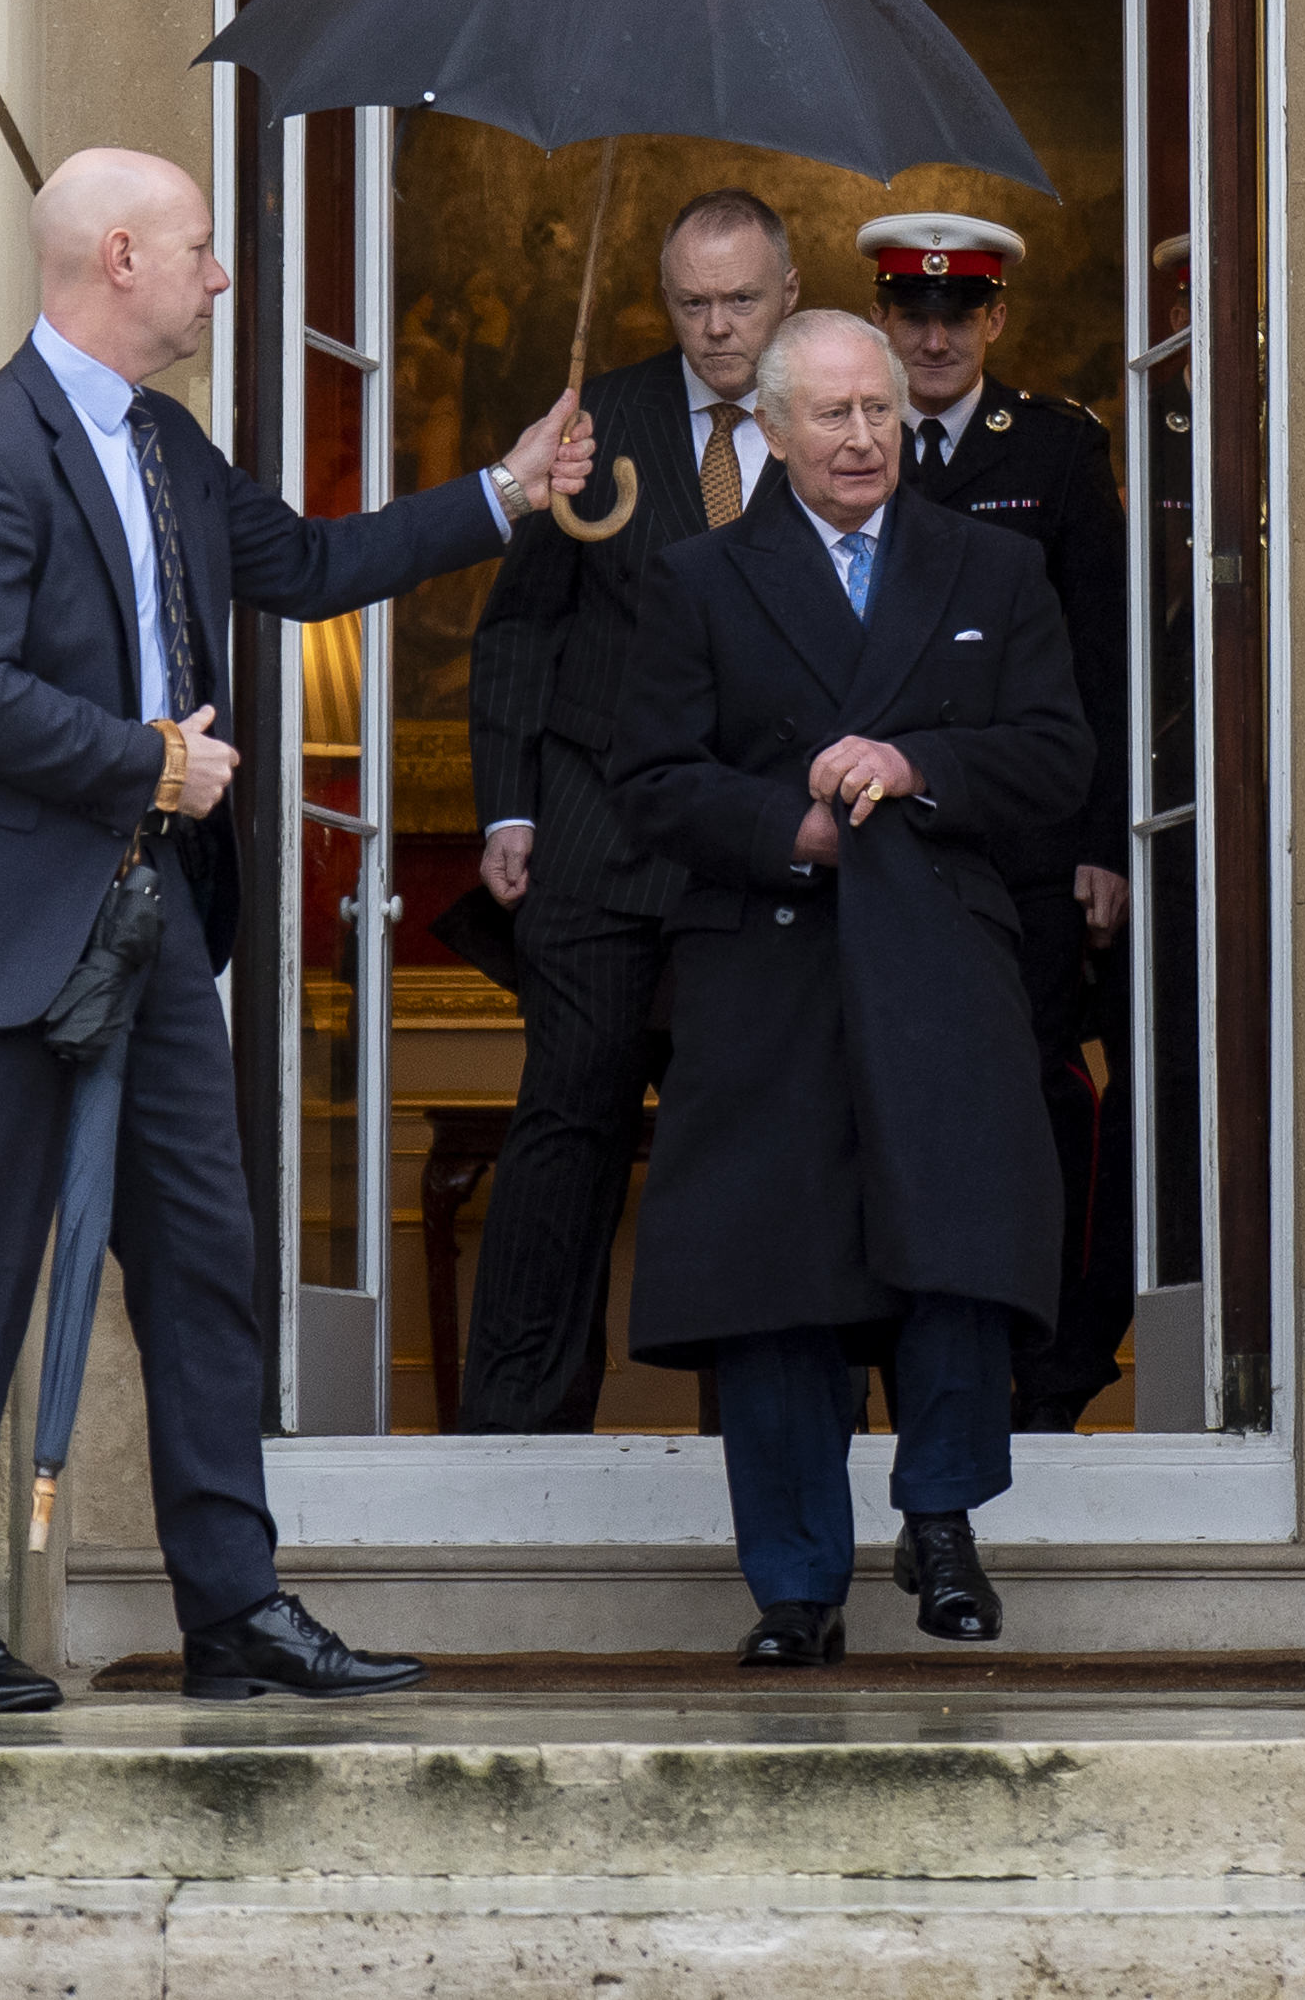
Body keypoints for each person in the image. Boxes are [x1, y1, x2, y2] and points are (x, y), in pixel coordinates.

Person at [0, 147, 593, 1716]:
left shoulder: (166, 439)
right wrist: (147, 759)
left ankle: (232, 1608)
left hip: (156, 909)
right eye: (201, 250)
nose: (221, 278)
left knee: (204, 1260)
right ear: (119, 256)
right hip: (9, 918)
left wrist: (507, 491)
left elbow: (307, 565)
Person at [611, 309, 1091, 1665]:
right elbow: (648, 779)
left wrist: (916, 765)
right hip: (769, 964)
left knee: (956, 1241)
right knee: (780, 1274)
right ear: (769, 430)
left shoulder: (991, 564)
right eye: (831, 414)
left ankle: (940, 1519)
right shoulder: (698, 577)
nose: (863, 436)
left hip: (938, 953)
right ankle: (795, 1585)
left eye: (878, 409)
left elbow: (1055, 754)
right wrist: (797, 828)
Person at [460, 188, 800, 1431]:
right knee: (568, 1120)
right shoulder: (594, 421)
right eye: (692, 302)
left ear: (788, 295)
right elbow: (519, 630)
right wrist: (507, 810)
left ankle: (763, 1439)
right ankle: (513, 1433)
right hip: (596, 839)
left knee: (756, 1147)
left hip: (755, 854)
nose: (717, 327)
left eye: (741, 300)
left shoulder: (828, 421)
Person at [863, 211, 1134, 1430]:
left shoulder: (1058, 447)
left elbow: (1102, 659)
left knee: (1029, 1103)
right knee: (893, 1108)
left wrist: (1102, 839)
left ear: (995, 318)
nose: (934, 337)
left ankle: (1049, 1373)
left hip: (1026, 848)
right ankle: (910, 1377)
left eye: (957, 314)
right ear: (881, 318)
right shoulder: (849, 442)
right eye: (912, 314)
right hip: (886, 847)